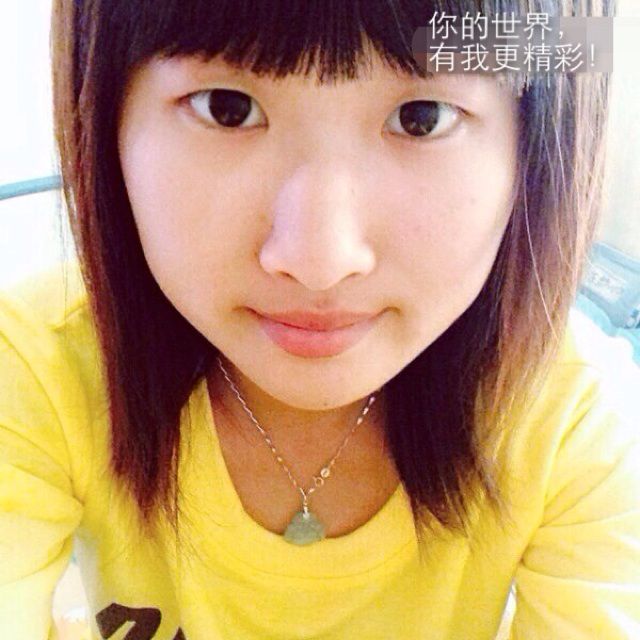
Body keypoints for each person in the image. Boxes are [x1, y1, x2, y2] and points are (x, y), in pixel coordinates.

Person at [1, 0, 639, 638]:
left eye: (421, 119)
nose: (319, 262)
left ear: (536, 143)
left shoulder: (579, 420)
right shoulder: (35, 367)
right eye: (227, 108)